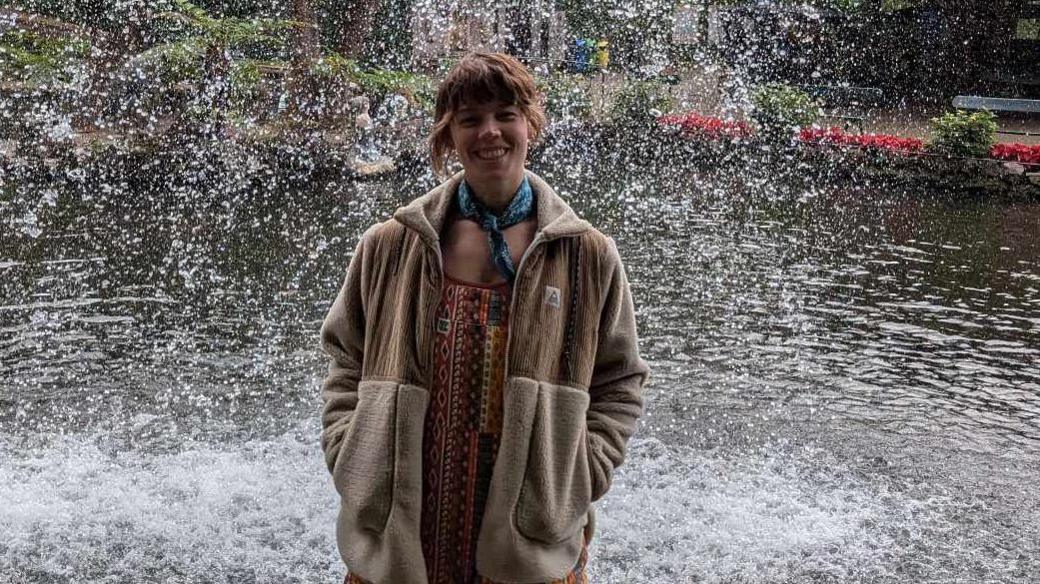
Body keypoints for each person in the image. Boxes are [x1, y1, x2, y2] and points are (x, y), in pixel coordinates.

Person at [319, 52, 649, 584]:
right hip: (403, 535)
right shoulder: (391, 246)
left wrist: (578, 474)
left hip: (529, 537)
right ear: (448, 135)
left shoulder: (586, 256)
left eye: (505, 115)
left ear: (530, 123)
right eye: (470, 119)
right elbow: (343, 359)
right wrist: (349, 452)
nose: (489, 132)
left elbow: (621, 381)